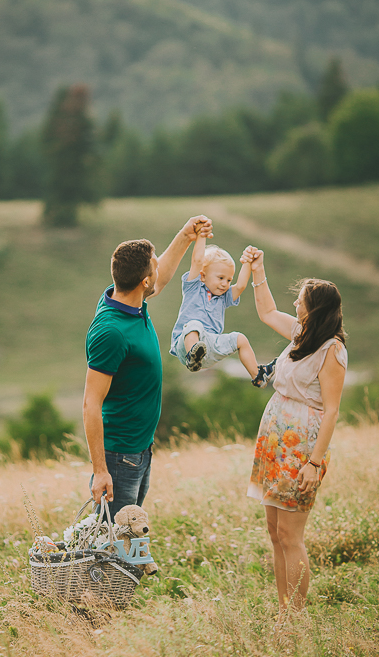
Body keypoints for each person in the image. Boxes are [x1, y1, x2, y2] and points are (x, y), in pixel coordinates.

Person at [242, 245, 347, 622]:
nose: (296, 306)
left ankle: (296, 619)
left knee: (291, 535)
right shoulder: (301, 335)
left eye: (301, 301)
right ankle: (284, 611)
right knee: (274, 532)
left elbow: (331, 410)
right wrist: (258, 269)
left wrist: (314, 463)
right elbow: (267, 311)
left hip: (302, 449)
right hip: (275, 442)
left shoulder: (331, 350)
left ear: (315, 308)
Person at [83, 216, 213, 517]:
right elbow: (91, 402)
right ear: (143, 281)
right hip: (119, 456)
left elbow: (161, 276)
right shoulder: (111, 331)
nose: (158, 269)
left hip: (140, 448)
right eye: (153, 266)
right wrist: (100, 471)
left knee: (127, 538)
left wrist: (185, 234)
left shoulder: (128, 299)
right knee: (112, 546)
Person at [169, 233, 276, 387]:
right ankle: (192, 355)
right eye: (220, 278)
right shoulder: (193, 287)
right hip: (184, 344)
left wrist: (247, 262)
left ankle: (258, 376)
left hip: (210, 347)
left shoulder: (224, 297)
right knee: (194, 325)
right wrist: (201, 235)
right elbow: (197, 260)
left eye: (228, 279)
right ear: (203, 276)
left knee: (240, 339)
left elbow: (240, 286)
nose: (225, 284)